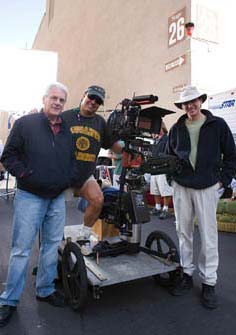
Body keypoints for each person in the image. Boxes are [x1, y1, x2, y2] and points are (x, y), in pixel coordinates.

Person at [0, 82, 80, 327]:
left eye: (62, 100)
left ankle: (44, 289)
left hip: (56, 198)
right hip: (30, 197)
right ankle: (9, 300)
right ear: (44, 99)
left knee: (51, 245)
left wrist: (67, 179)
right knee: (21, 249)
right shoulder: (26, 124)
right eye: (53, 98)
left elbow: (72, 159)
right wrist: (25, 175)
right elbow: (8, 156)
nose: (57, 103)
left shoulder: (67, 130)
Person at [166, 86, 236, 309]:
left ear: (201, 101)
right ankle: (186, 273)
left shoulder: (218, 125)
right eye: (186, 103)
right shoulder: (177, 127)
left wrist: (223, 181)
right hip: (182, 186)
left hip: (208, 186)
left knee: (208, 235)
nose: (190, 106)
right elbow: (168, 155)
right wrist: (171, 178)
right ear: (182, 106)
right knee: (183, 230)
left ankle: (209, 282)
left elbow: (231, 156)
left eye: (194, 101)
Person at [62, 85, 115, 238]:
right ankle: (52, 240)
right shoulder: (65, 117)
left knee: (98, 200)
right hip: (63, 175)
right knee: (54, 211)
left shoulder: (100, 122)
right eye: (91, 97)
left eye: (98, 101)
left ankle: (83, 236)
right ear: (84, 95)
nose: (93, 102)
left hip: (85, 175)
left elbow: (111, 144)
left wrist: (126, 146)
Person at [149, 122, 173, 219]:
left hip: (163, 167)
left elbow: (168, 152)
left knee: (165, 189)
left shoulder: (167, 139)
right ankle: (157, 207)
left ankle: (166, 209)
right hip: (154, 167)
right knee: (155, 189)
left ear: (162, 128)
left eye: (157, 128)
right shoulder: (156, 140)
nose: (155, 130)